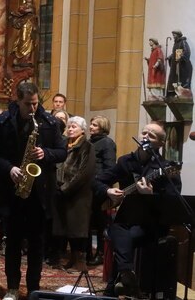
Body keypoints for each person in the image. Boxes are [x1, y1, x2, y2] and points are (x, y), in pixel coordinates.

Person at [0, 82, 67, 300]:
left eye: (36, 103)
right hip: (12, 189)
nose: (32, 108)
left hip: (39, 192)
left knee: (37, 243)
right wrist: (9, 168)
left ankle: (33, 288)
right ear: (18, 100)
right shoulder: (2, 122)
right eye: (28, 104)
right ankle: (12, 287)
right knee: (12, 242)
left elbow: (62, 152)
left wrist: (46, 153)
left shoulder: (49, 122)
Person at [96, 123, 181, 297]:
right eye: (144, 133)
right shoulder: (125, 161)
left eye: (151, 135)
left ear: (160, 144)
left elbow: (173, 202)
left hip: (151, 223)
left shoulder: (165, 168)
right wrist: (108, 191)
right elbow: (97, 181)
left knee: (123, 236)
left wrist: (150, 195)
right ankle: (126, 277)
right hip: (126, 219)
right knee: (118, 228)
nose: (145, 137)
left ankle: (118, 283)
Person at [52, 116, 95, 272]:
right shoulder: (63, 144)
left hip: (78, 194)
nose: (70, 129)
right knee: (65, 227)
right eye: (69, 126)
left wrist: (66, 188)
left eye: (74, 127)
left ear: (82, 130)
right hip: (61, 191)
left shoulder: (87, 146)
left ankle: (79, 261)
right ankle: (69, 259)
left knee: (78, 228)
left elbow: (84, 172)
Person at [86, 115, 116, 266]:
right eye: (91, 124)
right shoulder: (90, 142)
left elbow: (110, 167)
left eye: (95, 125)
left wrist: (100, 183)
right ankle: (88, 253)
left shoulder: (107, 143)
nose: (91, 127)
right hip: (87, 186)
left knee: (100, 222)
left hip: (100, 188)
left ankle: (101, 254)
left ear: (102, 127)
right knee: (89, 220)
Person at [10, 0, 38, 67]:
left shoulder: (33, 7)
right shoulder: (23, 6)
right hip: (25, 25)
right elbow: (20, 10)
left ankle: (27, 58)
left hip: (31, 25)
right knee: (23, 39)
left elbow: (34, 15)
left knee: (30, 42)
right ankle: (20, 58)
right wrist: (27, 11)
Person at [167, 30, 192, 96]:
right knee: (175, 79)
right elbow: (174, 53)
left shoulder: (183, 42)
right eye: (173, 35)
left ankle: (181, 94)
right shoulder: (176, 43)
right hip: (176, 64)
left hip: (182, 65)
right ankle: (176, 93)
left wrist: (181, 56)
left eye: (174, 34)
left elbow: (186, 51)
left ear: (178, 35)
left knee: (180, 79)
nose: (173, 36)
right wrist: (170, 57)